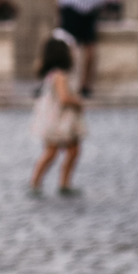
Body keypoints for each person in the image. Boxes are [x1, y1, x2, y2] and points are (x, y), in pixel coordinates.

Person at [29, 37, 87, 195]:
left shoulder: (50, 73)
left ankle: (56, 182)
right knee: (54, 151)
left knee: (68, 149)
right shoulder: (60, 75)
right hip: (59, 120)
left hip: (57, 119)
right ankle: (39, 182)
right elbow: (64, 98)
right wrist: (78, 103)